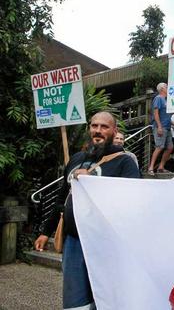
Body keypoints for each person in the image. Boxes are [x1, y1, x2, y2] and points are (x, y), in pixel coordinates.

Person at [34, 112, 140, 310]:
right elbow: (61, 197)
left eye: (104, 127)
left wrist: (93, 181)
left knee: (106, 298)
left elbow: (134, 200)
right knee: (75, 302)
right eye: (94, 126)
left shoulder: (125, 162)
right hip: (73, 241)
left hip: (106, 243)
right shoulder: (76, 159)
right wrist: (45, 231)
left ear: (114, 131)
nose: (98, 131)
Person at [147, 82, 174, 175]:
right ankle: (150, 168)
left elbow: (167, 115)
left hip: (168, 127)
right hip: (161, 126)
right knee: (159, 147)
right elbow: (155, 113)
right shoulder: (158, 98)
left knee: (170, 147)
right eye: (166, 86)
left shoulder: (167, 100)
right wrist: (159, 126)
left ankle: (161, 167)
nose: (168, 88)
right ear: (162, 89)